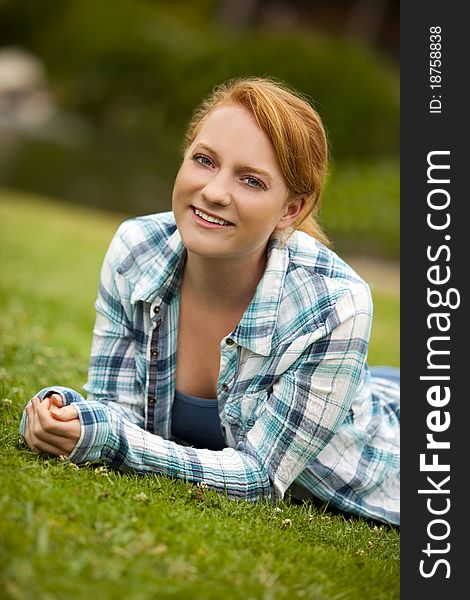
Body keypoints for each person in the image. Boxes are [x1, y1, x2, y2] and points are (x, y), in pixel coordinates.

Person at [20, 77, 400, 525]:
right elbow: (116, 411)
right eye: (204, 160)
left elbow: (260, 477)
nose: (215, 192)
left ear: (291, 210)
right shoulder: (136, 249)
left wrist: (113, 440)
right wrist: (64, 414)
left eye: (251, 180)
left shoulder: (337, 303)